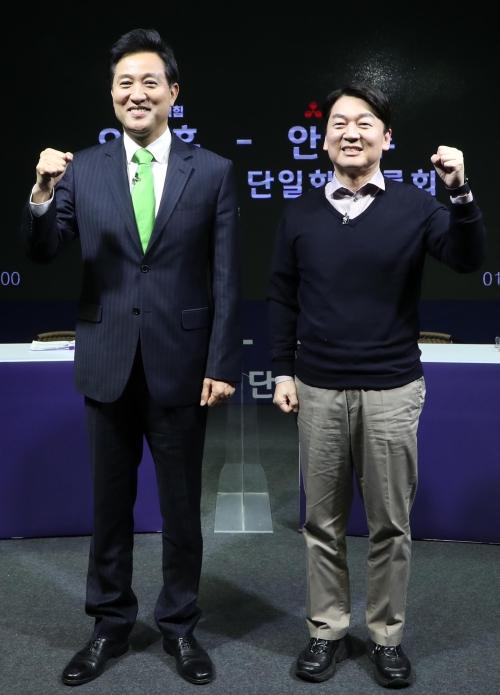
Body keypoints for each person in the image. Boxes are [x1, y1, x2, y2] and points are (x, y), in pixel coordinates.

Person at [23, 28, 240, 687]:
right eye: (125, 83)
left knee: (181, 509)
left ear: (174, 92)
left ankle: (179, 626)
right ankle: (109, 624)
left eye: (150, 82)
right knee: (109, 507)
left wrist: (221, 362)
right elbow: (43, 250)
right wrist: (41, 193)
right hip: (108, 360)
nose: (136, 93)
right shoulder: (80, 169)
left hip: (183, 363)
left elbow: (226, 276)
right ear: (112, 94)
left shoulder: (214, 171)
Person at [268, 84, 485, 688]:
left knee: (390, 525)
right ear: (324, 140)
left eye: (365, 123)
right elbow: (282, 296)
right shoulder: (300, 213)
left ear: (387, 139)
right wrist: (282, 370)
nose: (351, 132)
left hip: (392, 388)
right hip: (318, 389)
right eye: (339, 123)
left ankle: (386, 636)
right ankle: (327, 630)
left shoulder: (417, 206)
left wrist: (459, 193)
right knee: (322, 523)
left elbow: (467, 258)